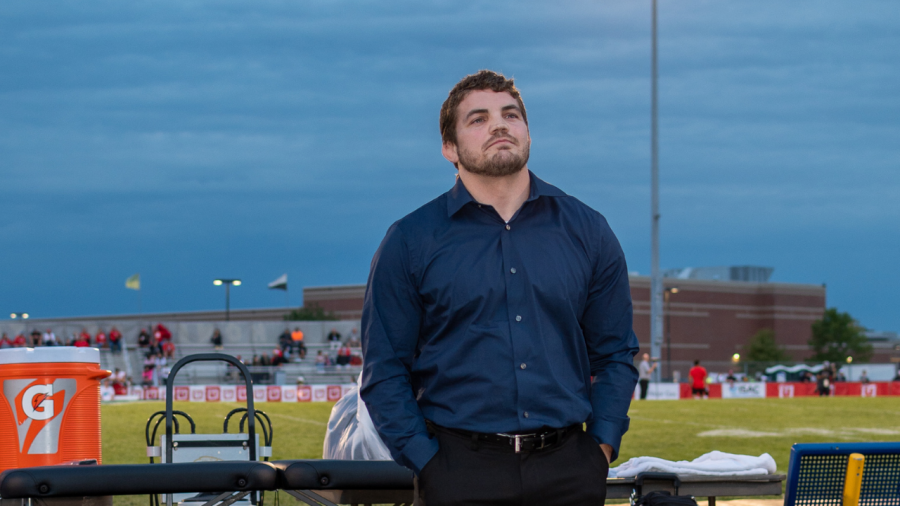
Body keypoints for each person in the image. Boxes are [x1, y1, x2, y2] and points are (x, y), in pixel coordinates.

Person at [360, 70, 639, 506]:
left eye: (511, 114)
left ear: (528, 131)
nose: (499, 125)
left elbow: (615, 353)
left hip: (569, 469)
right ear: (449, 148)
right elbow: (385, 371)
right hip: (458, 471)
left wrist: (600, 447)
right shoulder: (410, 241)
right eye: (478, 119)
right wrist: (427, 462)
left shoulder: (588, 230)